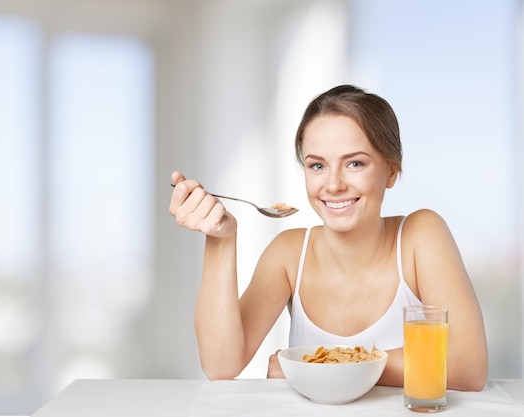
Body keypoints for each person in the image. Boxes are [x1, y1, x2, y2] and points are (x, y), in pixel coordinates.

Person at [169, 84, 488, 391]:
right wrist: (220, 239)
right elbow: (220, 364)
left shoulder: (421, 234)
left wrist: (318, 365)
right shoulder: (289, 253)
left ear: (391, 170)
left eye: (355, 163)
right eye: (318, 165)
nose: (333, 184)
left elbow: (467, 366)